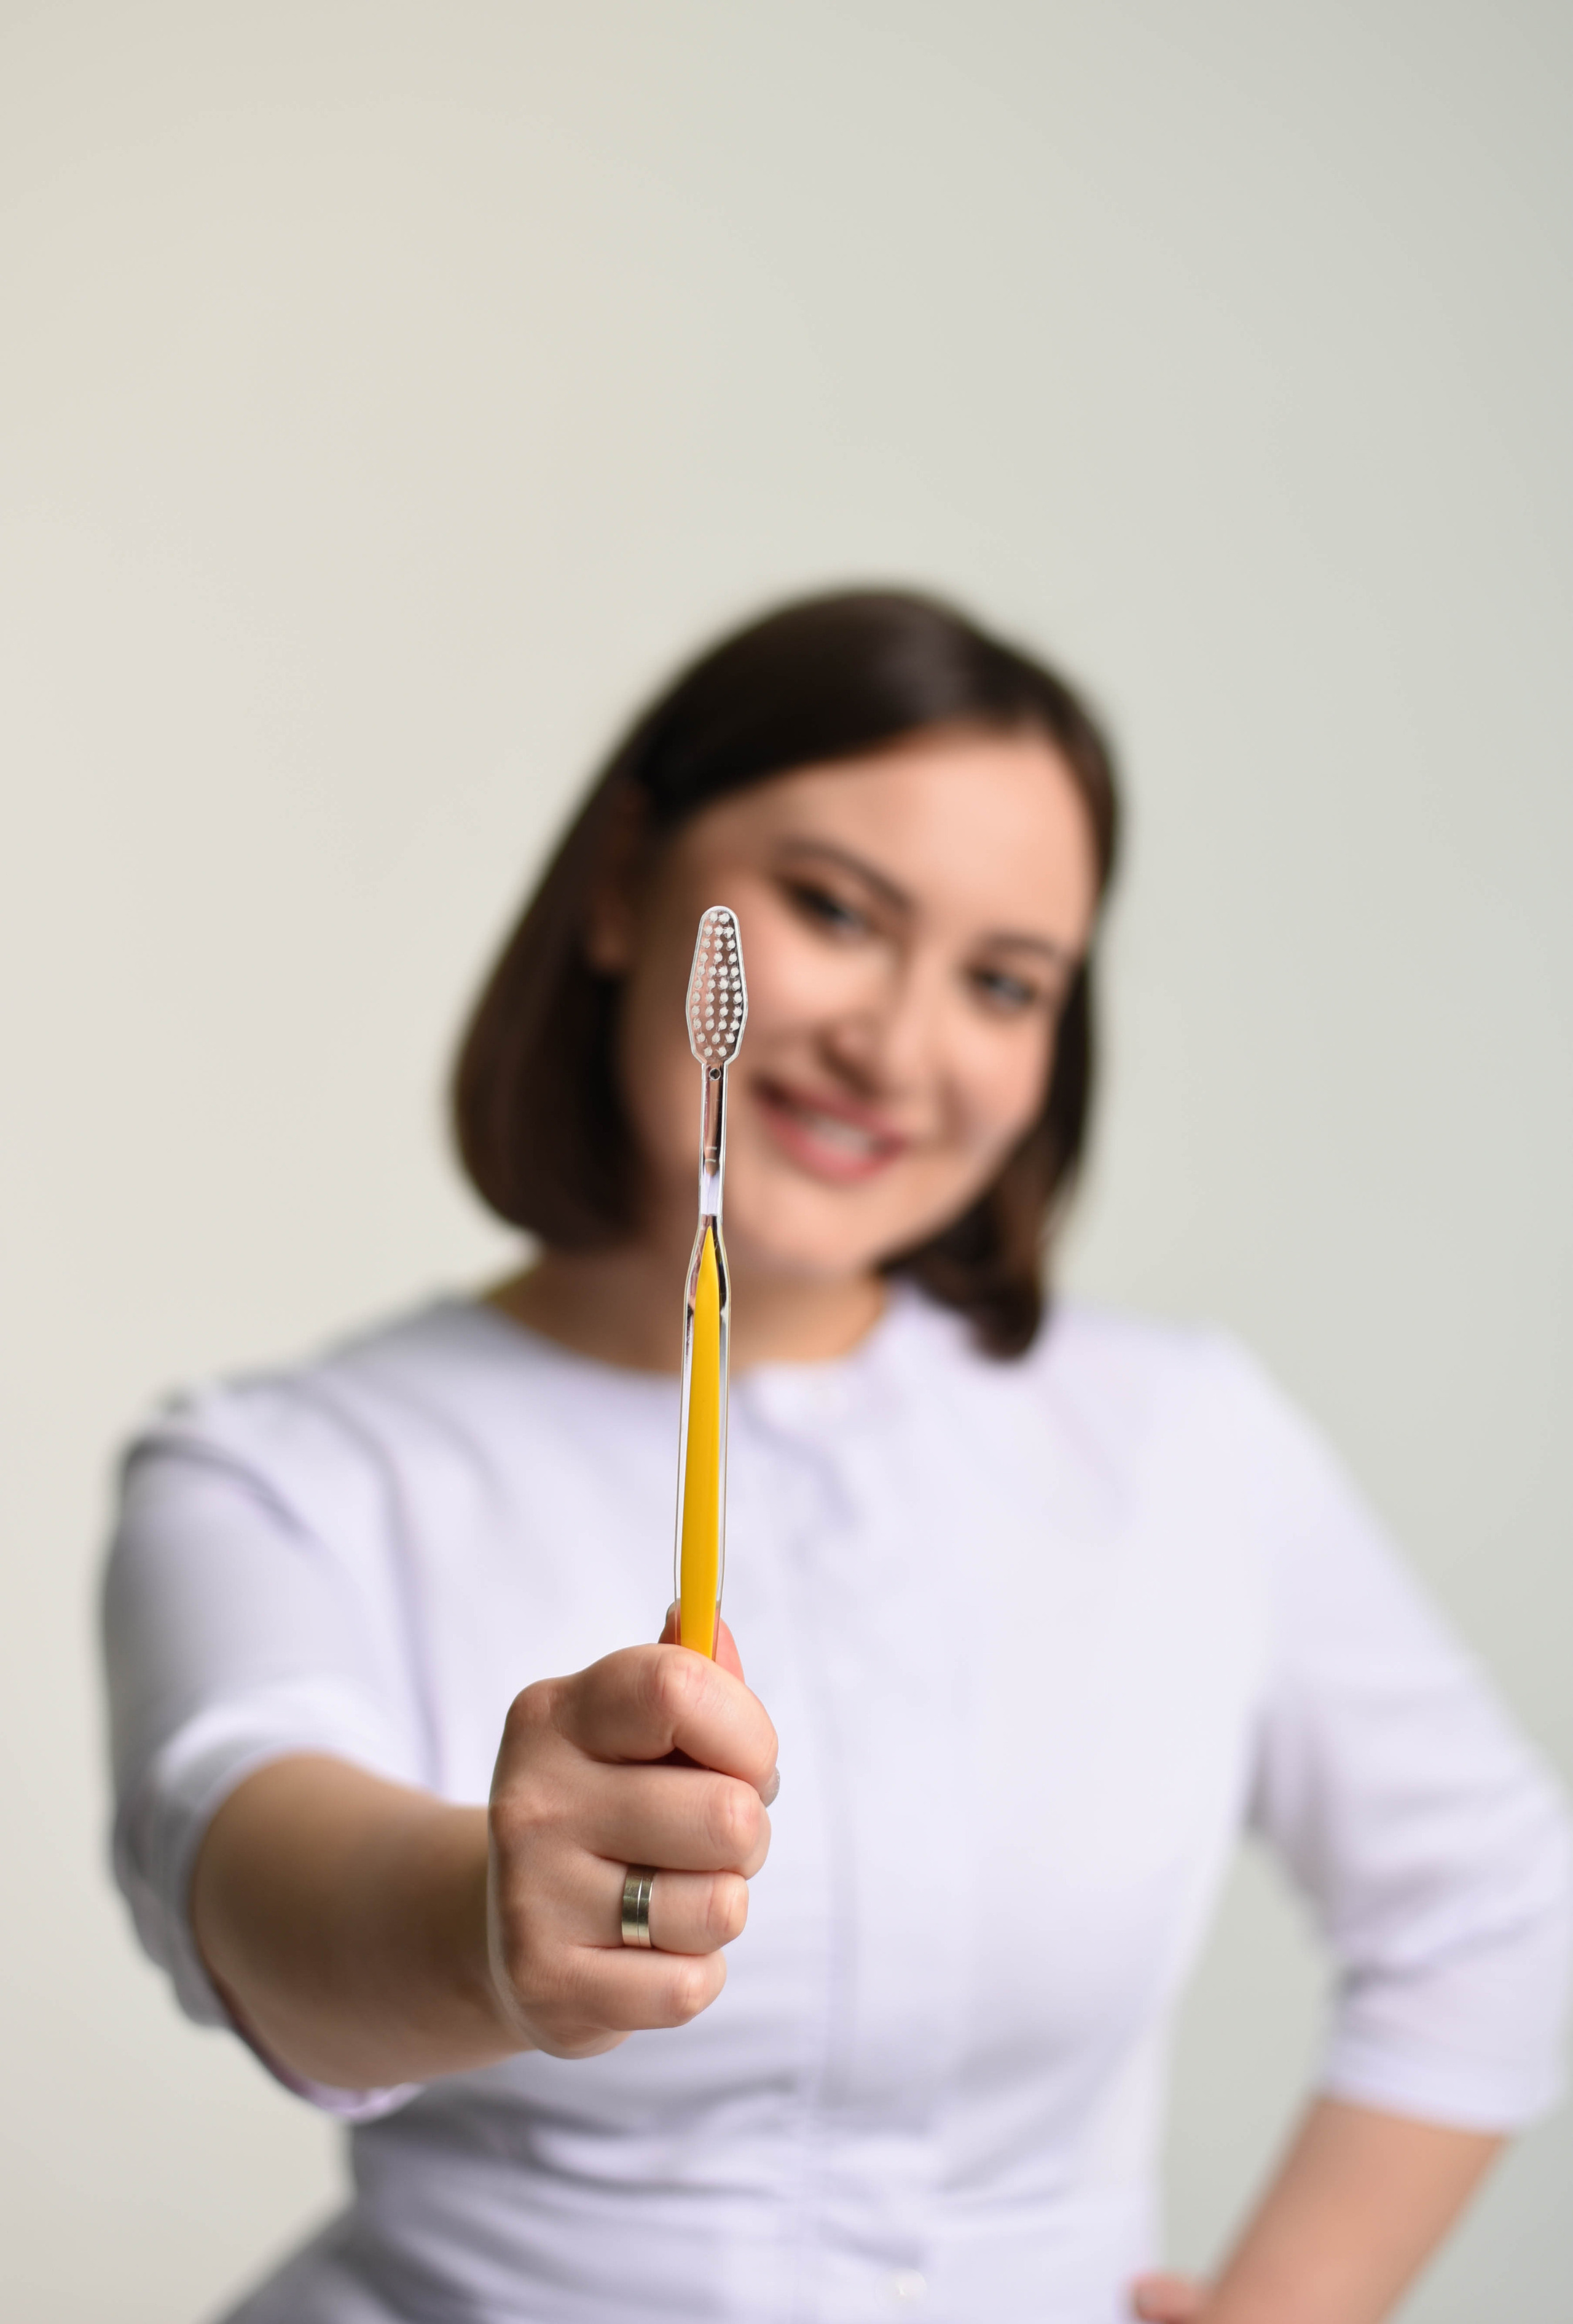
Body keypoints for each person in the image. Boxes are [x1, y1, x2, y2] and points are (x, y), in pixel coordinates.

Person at [103, 589, 1569, 2324]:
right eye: (831, 910)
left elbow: (1499, 1911)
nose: (895, 1045)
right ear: (621, 882)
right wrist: (497, 1923)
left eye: (1005, 983)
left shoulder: (1188, 1438)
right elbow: (257, 1887)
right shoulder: (277, 1468)